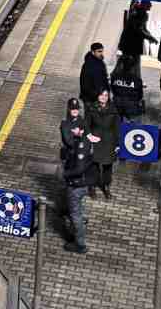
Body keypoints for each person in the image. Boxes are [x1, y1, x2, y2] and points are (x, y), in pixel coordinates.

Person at [58, 99, 93, 254]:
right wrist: (79, 136)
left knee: (75, 213)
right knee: (74, 204)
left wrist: (78, 137)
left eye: (76, 109)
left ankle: (80, 243)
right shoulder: (66, 124)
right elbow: (68, 140)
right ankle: (76, 217)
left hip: (76, 177)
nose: (75, 111)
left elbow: (73, 142)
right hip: (76, 168)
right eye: (72, 109)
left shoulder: (82, 123)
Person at [86, 88, 121, 198]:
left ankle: (106, 186)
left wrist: (117, 144)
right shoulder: (91, 108)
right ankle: (92, 187)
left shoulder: (113, 110)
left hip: (109, 142)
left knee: (107, 167)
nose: (103, 97)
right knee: (94, 166)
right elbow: (86, 125)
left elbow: (117, 128)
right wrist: (89, 137)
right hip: (95, 140)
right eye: (101, 95)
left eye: (106, 95)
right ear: (97, 96)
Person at [109, 54, 145, 120]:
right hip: (131, 109)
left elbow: (113, 89)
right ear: (133, 66)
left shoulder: (115, 77)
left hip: (116, 107)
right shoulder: (137, 80)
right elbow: (140, 95)